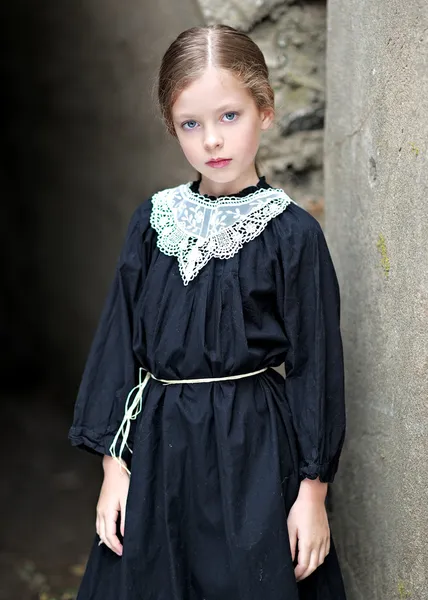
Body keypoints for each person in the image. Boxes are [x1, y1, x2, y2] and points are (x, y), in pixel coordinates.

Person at [69, 24, 347, 600]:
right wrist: (113, 468)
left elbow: (316, 363)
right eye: (191, 124)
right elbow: (119, 340)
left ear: (264, 111)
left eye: (229, 117)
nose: (212, 141)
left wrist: (312, 494)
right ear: (172, 127)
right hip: (156, 447)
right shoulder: (152, 222)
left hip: (252, 449)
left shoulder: (291, 234)